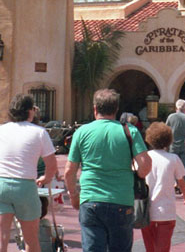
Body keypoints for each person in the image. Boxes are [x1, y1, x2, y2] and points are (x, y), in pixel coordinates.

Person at [64, 88, 152, 252]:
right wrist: (137, 175)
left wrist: (74, 194)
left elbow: (69, 171)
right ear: (116, 109)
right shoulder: (129, 131)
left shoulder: (82, 132)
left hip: (91, 199)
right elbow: (146, 164)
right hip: (121, 200)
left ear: (95, 108)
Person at [0, 94, 56, 252]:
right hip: (25, 185)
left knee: (0, 239)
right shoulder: (40, 132)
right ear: (30, 111)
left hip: (0, 184)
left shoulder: (0, 130)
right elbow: (52, 165)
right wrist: (45, 178)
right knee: (31, 239)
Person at [141, 122, 185, 252]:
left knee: (150, 248)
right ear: (168, 140)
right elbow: (181, 180)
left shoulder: (145, 158)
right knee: (163, 248)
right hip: (166, 210)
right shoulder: (173, 158)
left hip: (145, 210)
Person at [165, 99, 185, 178]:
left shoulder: (171, 117)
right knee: (184, 164)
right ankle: (182, 181)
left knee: (172, 163)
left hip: (173, 143)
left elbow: (166, 130)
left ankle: (174, 182)